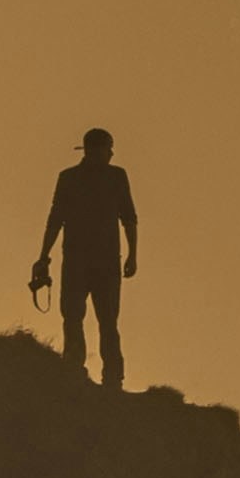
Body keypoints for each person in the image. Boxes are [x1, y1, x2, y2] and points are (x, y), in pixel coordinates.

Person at [31, 127, 139, 387]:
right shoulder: (95, 178)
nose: (112, 153)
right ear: (98, 150)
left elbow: (128, 218)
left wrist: (44, 256)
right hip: (89, 261)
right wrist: (43, 256)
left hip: (90, 261)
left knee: (99, 319)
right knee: (81, 316)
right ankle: (83, 370)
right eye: (109, 147)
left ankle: (103, 374)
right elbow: (56, 220)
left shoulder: (85, 177)